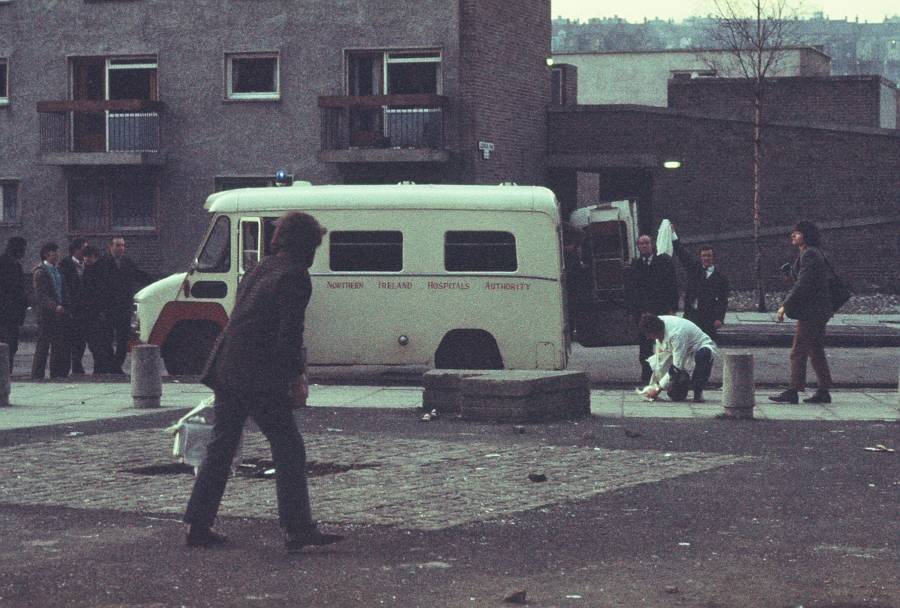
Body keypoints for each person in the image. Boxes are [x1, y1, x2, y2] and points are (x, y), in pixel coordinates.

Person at [183, 211, 344, 554]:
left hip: (229, 369)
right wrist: (297, 378)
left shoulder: (261, 267)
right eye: (315, 245)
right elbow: (289, 336)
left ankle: (198, 524)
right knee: (288, 448)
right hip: (258, 376)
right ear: (306, 245)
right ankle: (297, 527)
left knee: (221, 447)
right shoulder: (295, 276)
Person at [769, 221, 834, 404]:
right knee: (815, 350)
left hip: (812, 312)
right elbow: (805, 281)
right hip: (818, 310)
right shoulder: (809, 252)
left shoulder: (810, 254)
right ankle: (824, 390)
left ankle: (793, 390)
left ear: (805, 235)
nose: (793, 236)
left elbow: (803, 285)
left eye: (796, 233)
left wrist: (784, 306)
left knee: (798, 351)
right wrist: (791, 274)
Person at [625, 234, 679, 383]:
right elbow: (630, 290)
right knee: (645, 347)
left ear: (652, 245)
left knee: (664, 345)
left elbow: (672, 286)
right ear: (638, 247)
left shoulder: (663, 263)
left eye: (647, 243)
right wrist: (631, 311)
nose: (644, 246)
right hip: (642, 313)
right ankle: (647, 377)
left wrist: (673, 307)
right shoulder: (635, 266)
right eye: (641, 244)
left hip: (660, 310)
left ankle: (667, 376)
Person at [97, 236, 150, 373]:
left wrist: (156, 282)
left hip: (124, 307)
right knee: (107, 339)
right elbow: (98, 286)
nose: (121, 248)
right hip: (108, 307)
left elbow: (138, 275)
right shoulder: (103, 262)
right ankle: (111, 365)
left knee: (123, 339)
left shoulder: (127, 262)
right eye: (118, 245)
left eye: (123, 245)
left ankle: (116, 366)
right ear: (111, 247)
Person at [638, 313, 717, 403]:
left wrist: (657, 389)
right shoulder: (657, 322)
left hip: (700, 347)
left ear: (657, 332)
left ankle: (698, 393)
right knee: (676, 395)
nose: (648, 338)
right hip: (683, 350)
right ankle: (680, 388)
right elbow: (660, 363)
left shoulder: (676, 335)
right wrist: (652, 388)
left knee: (703, 355)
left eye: (650, 335)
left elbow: (676, 368)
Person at [672, 237, 729, 343]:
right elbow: (683, 255)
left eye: (709, 255)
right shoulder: (694, 270)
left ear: (713, 257)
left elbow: (723, 300)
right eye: (704, 256)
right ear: (700, 257)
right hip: (692, 315)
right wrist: (674, 237)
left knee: (707, 345)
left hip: (709, 318)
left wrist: (719, 318)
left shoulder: (721, 277)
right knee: (691, 345)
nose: (706, 258)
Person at [31, 242, 69, 380]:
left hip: (58, 313)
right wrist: (55, 306)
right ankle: (37, 375)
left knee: (57, 344)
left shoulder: (57, 270)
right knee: (43, 344)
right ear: (47, 254)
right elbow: (41, 295)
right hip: (46, 314)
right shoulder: (40, 271)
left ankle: (55, 373)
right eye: (55, 252)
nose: (58, 255)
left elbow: (62, 290)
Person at [81, 245, 116, 374]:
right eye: (85, 256)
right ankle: (104, 368)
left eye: (89, 256)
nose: (86, 259)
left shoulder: (97, 271)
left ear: (95, 256)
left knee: (100, 344)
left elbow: (101, 293)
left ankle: (102, 369)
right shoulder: (91, 269)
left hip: (97, 314)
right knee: (100, 344)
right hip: (94, 314)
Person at [58, 237, 88, 375]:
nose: (86, 252)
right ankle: (70, 366)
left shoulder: (87, 264)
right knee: (70, 338)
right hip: (71, 308)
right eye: (84, 249)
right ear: (76, 250)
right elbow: (63, 286)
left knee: (82, 339)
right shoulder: (65, 264)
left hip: (84, 308)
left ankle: (77, 363)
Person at [0, 237, 28, 373]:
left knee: (11, 345)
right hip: (6, 312)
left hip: (13, 312)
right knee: (7, 344)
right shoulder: (5, 263)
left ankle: (7, 373)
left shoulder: (15, 264)